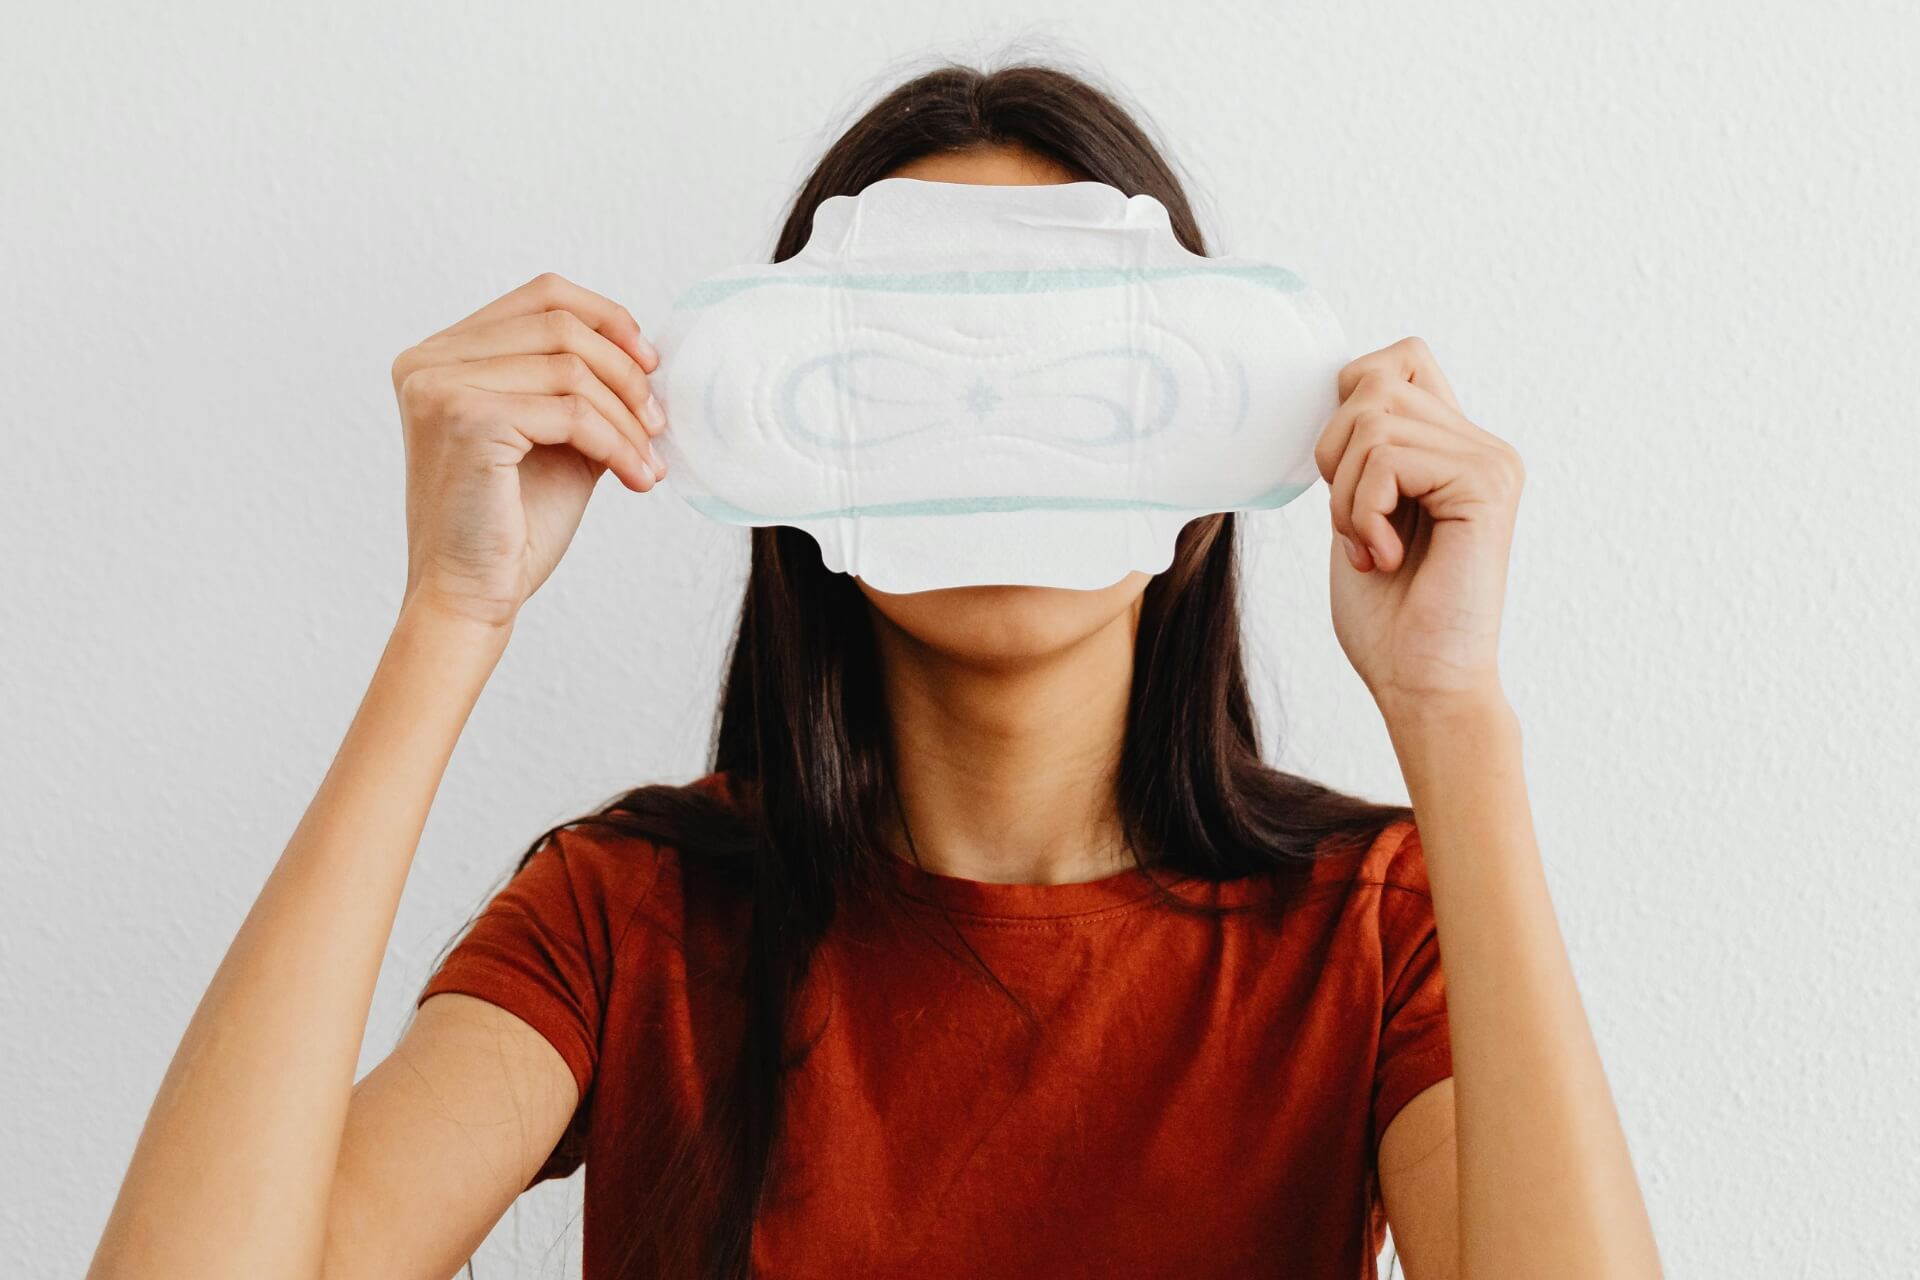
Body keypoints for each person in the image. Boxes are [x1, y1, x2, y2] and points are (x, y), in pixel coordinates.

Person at [87, 62, 1661, 1280]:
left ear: (1203, 446)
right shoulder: (628, 920)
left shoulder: (1369, 930)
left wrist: (1453, 715)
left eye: (1079, 380)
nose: (989, 423)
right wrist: (450, 615)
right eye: (896, 375)